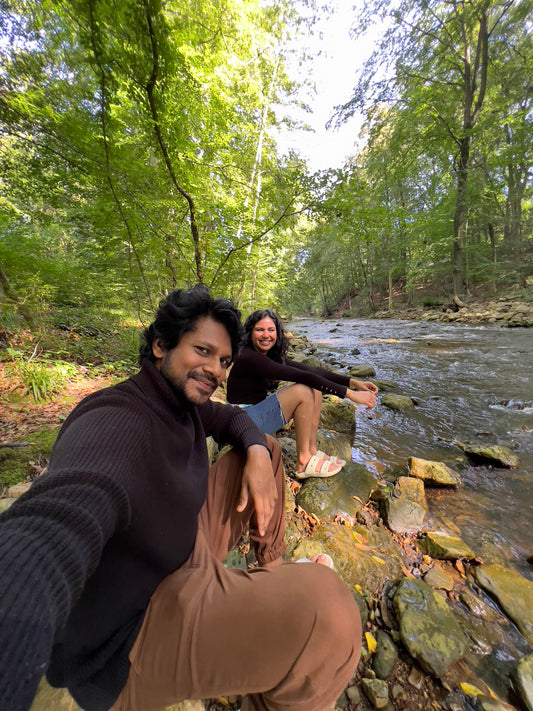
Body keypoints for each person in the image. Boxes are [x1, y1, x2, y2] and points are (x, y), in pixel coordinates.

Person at [0, 285, 361, 711]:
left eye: (224, 361)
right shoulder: (115, 421)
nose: (216, 370)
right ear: (160, 345)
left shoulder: (180, 401)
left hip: (178, 546)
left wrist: (260, 453)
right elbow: (52, 528)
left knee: (263, 446)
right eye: (203, 351)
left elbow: (228, 417)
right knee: (333, 614)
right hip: (137, 632)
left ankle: (273, 569)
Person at [227, 309, 378, 478]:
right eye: (259, 330)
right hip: (241, 424)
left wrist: (352, 382)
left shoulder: (268, 356)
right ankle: (303, 461)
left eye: (271, 330)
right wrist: (350, 394)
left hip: (253, 416)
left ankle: (311, 451)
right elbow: (302, 376)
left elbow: (310, 370)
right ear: (249, 333)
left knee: (315, 389)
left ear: (277, 332)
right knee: (302, 391)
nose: (265, 335)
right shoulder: (249, 357)